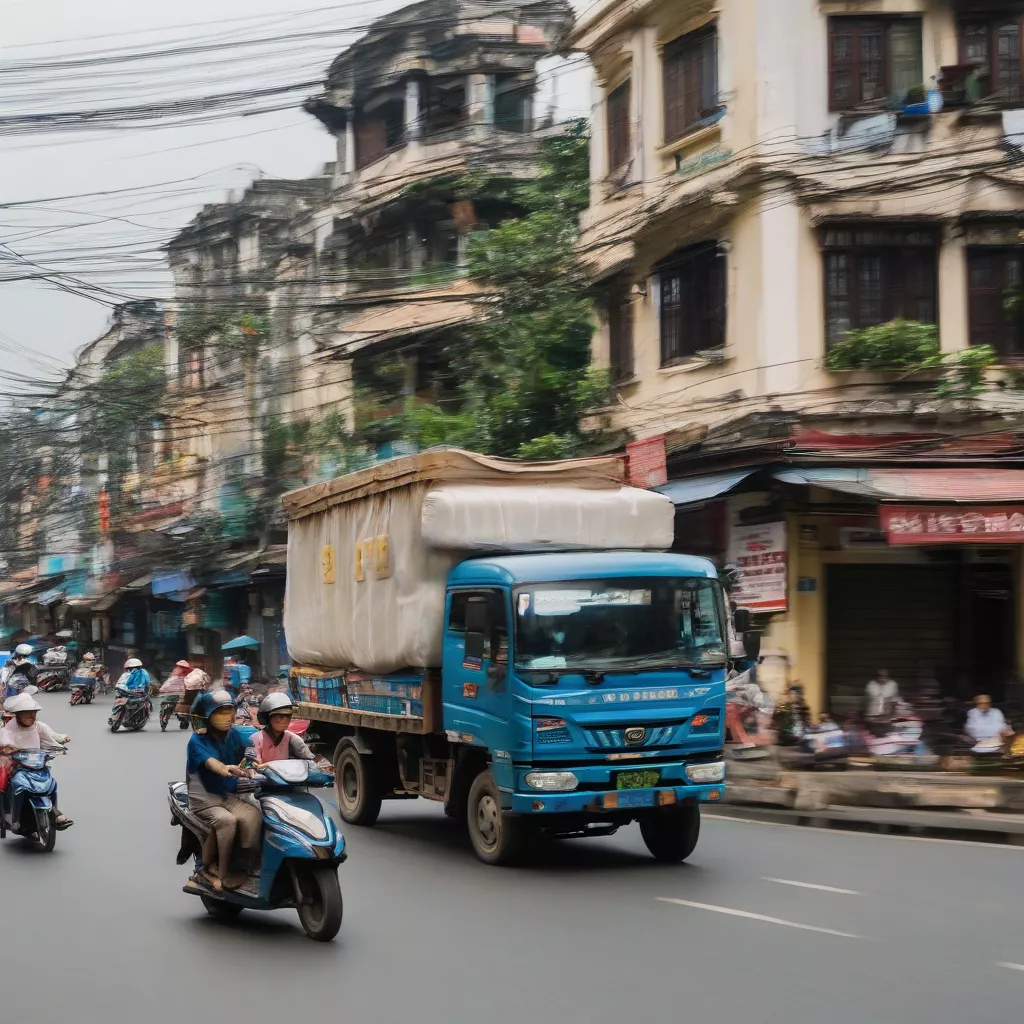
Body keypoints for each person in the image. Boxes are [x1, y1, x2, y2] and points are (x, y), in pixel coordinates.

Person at [186, 689, 261, 891]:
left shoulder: (234, 735)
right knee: (228, 821)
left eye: (229, 711)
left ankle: (244, 865)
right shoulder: (197, 741)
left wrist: (254, 763)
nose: (227, 717)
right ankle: (217, 871)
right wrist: (224, 768)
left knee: (255, 815)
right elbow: (211, 763)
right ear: (207, 716)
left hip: (227, 796)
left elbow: (254, 749)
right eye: (220, 712)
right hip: (204, 799)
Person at [0, 692, 73, 829]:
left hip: (37, 765)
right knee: (18, 787)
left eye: (34, 712)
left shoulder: (39, 726)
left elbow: (51, 736)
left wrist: (61, 743)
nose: (32, 716)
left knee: (52, 784)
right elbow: (4, 743)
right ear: (18, 714)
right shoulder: (7, 730)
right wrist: (8, 749)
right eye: (28, 712)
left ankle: (54, 812)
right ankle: (14, 818)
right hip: (18, 767)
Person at [250, 692, 315, 765]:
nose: (285, 720)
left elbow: (309, 759)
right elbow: (253, 764)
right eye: (280, 716)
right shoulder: (256, 739)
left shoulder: (291, 738)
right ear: (269, 718)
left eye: (288, 716)